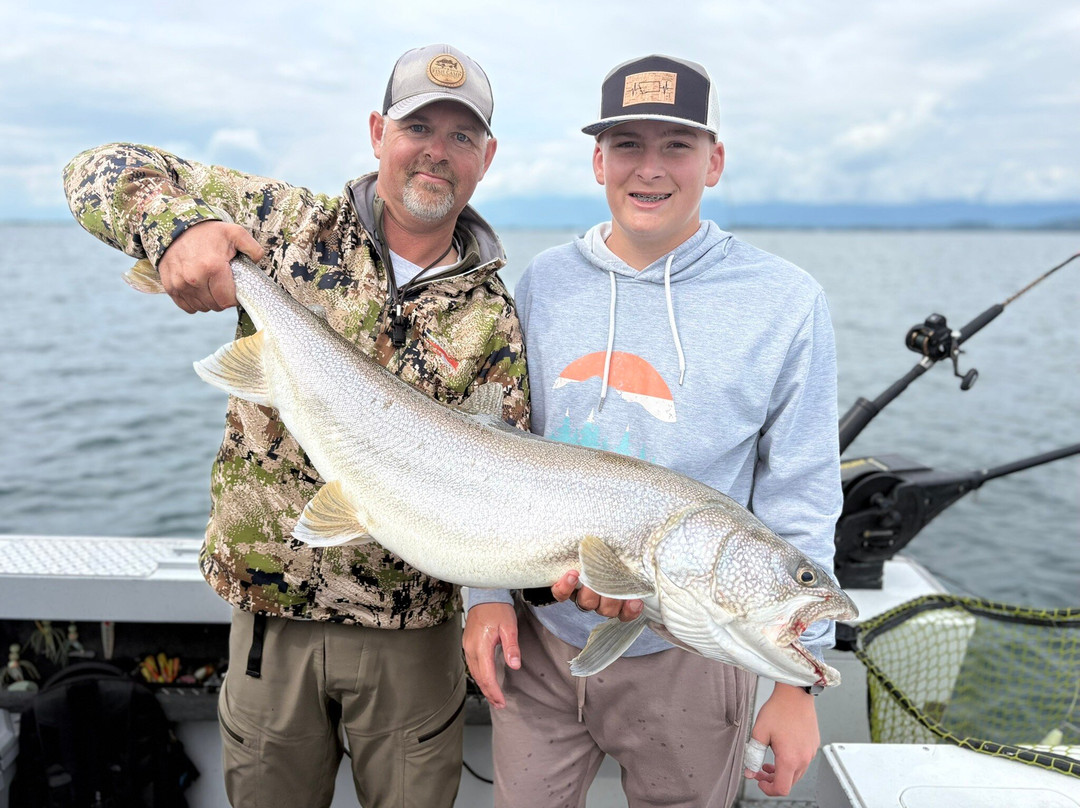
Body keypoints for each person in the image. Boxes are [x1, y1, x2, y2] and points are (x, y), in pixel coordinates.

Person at [63, 44, 528, 808]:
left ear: (487, 157)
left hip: (413, 640)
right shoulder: (285, 225)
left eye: (462, 136)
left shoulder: (494, 320)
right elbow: (98, 168)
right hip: (269, 626)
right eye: (418, 127)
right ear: (379, 131)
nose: (437, 152)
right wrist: (176, 230)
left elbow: (498, 492)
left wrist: (509, 593)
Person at [463, 54, 842, 807]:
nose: (651, 168)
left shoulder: (787, 302)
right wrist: (485, 595)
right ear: (598, 159)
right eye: (628, 144)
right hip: (540, 645)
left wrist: (801, 680)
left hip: (692, 657)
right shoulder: (540, 283)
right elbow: (492, 455)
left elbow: (800, 489)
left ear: (715, 160)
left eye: (677, 145)